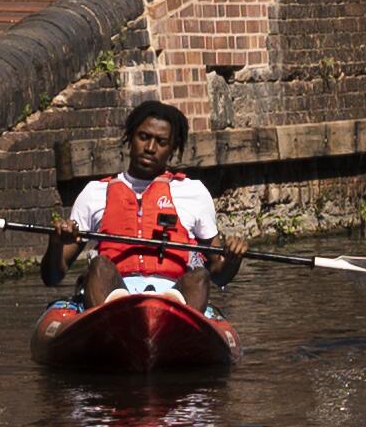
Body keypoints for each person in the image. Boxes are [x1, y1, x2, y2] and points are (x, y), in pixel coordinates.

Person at [47, 97, 244, 312]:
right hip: (113, 298)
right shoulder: (95, 193)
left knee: (199, 276)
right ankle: (110, 326)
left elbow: (218, 273)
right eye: (143, 137)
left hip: (174, 300)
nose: (150, 148)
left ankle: (175, 327)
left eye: (161, 142)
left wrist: (232, 260)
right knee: (99, 265)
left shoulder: (193, 192)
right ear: (130, 138)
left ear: (173, 148)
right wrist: (56, 243)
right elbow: (52, 276)